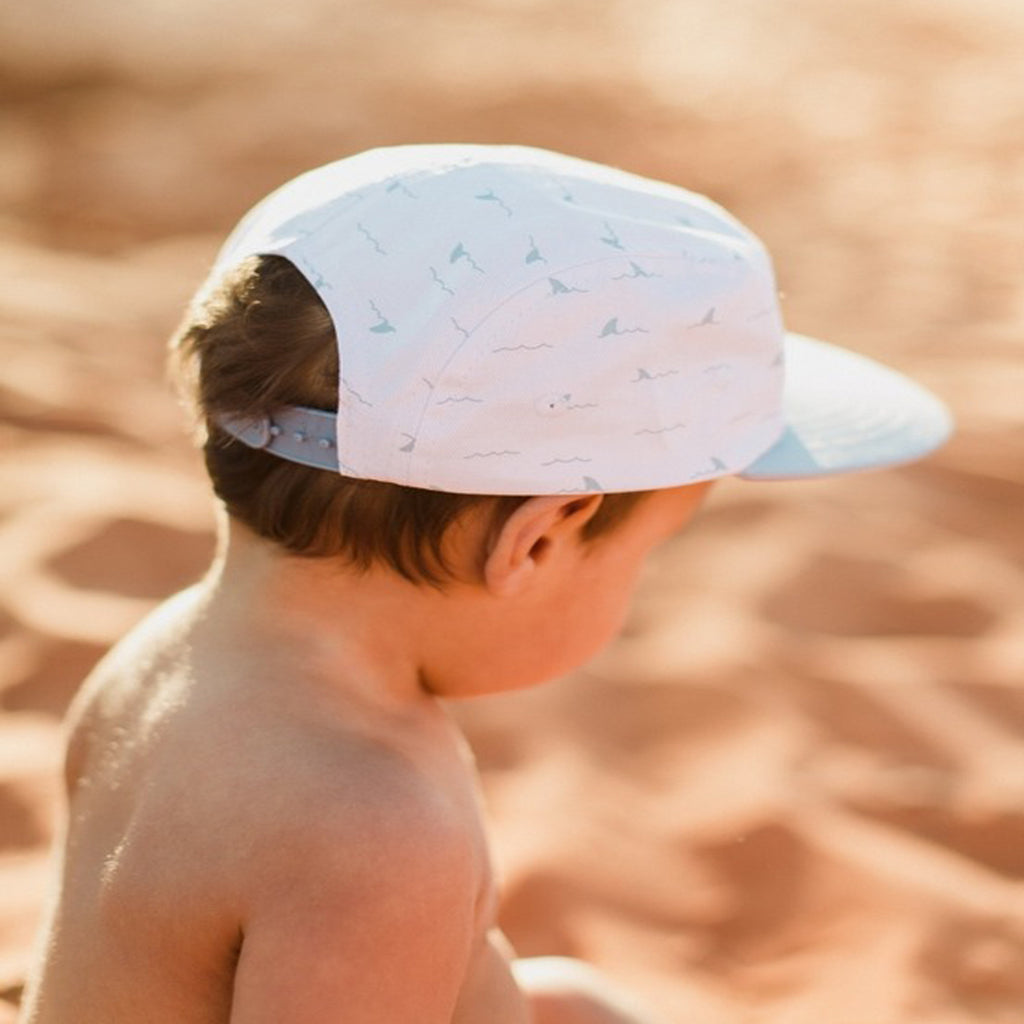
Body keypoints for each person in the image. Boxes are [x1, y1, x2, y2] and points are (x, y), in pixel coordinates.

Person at [18, 145, 952, 1024]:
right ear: (540, 539)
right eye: (647, 553)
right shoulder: (373, 833)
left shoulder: (165, 663)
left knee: (571, 1004)